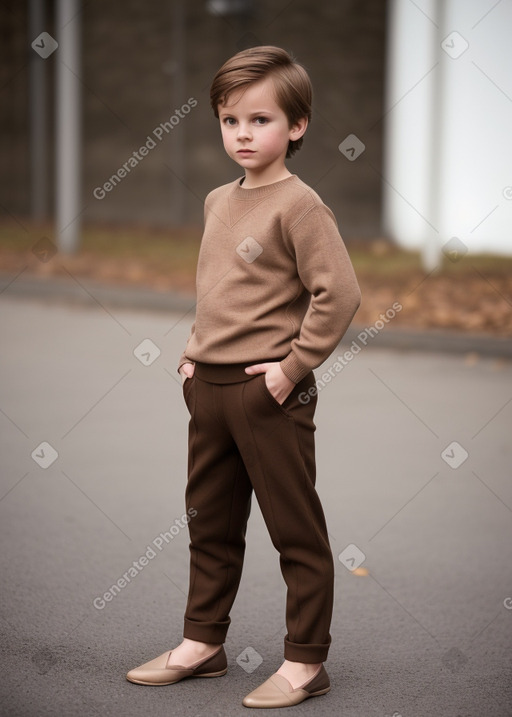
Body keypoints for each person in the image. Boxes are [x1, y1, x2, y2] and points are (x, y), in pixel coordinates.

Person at [127, 45, 361, 709]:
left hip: (269, 392)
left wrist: (292, 367)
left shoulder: (302, 206)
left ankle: (306, 660)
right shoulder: (214, 201)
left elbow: (338, 294)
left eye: (260, 120)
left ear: (297, 126)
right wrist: (195, 352)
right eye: (230, 120)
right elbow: (222, 288)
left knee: (296, 530)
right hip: (210, 390)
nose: (243, 134)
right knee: (209, 522)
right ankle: (202, 643)